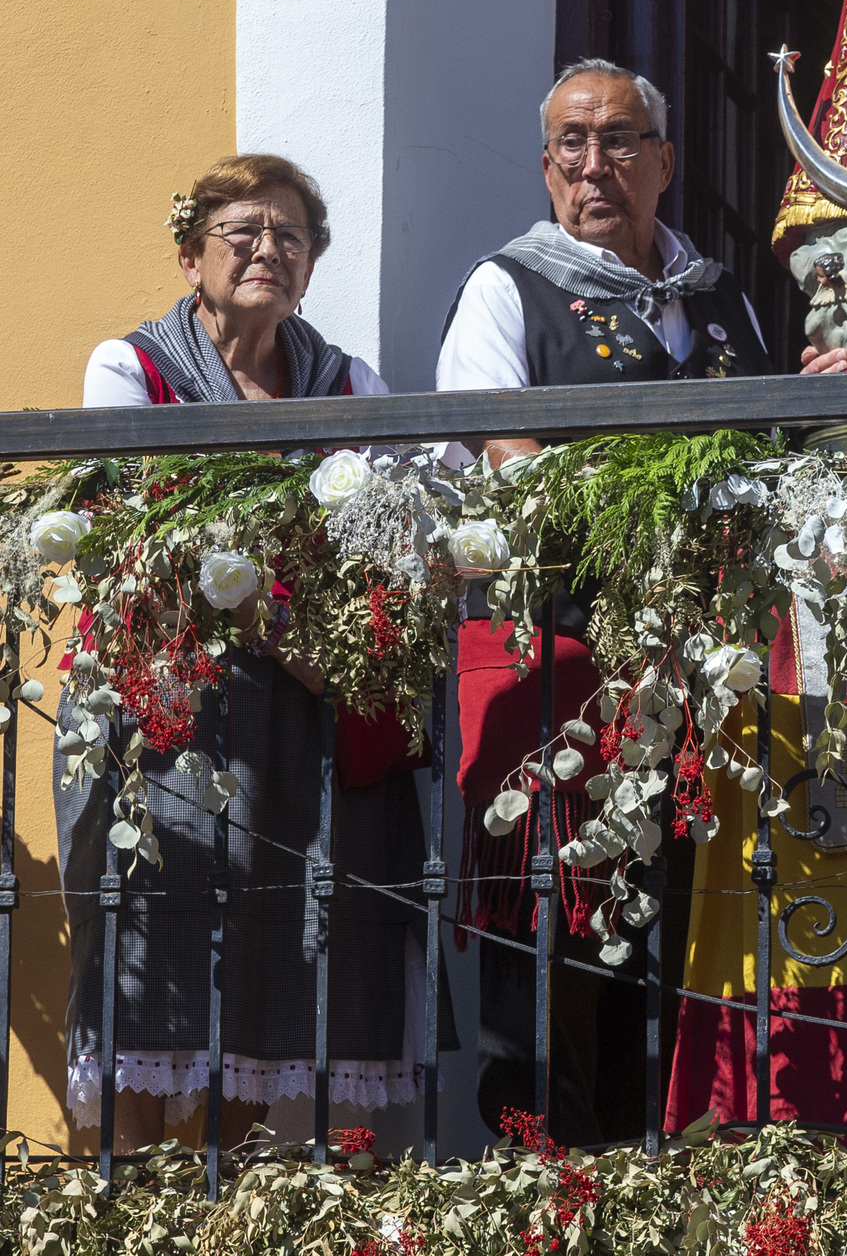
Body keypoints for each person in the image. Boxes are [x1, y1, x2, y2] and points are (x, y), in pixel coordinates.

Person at [62, 153, 452, 1151]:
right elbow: (148, 541)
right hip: (169, 719)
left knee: (270, 990)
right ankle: (127, 1206)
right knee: (152, 968)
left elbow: (394, 543)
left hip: (297, 729)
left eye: (291, 236)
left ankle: (214, 1209)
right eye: (244, 233)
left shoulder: (349, 383)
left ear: (312, 268)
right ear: (193, 255)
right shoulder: (131, 369)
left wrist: (293, 621)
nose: (269, 250)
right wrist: (286, 626)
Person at [437, 58, 773, 1145]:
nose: (596, 164)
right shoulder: (508, 287)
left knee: (689, 943)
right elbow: (503, 453)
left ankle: (671, 1178)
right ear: (546, 170)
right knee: (554, 950)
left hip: (707, 687)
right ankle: (551, 1186)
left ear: (664, 162)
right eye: (572, 145)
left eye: (620, 140)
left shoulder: (722, 302)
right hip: (564, 673)